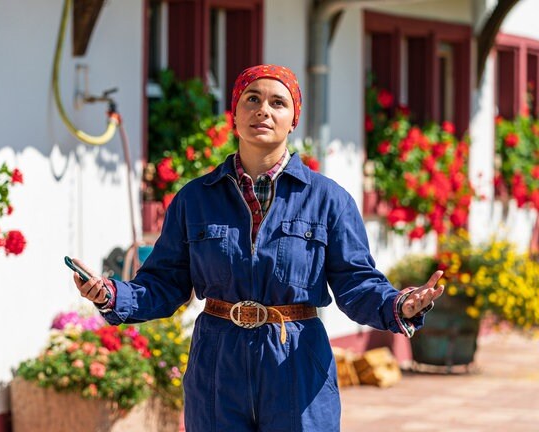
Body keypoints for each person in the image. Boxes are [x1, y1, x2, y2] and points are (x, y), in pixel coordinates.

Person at [71, 64, 444, 431]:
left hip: (296, 362)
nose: (263, 110)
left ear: (293, 120)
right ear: (234, 114)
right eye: (252, 99)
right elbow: (165, 283)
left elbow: (356, 283)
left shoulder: (330, 200)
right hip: (217, 363)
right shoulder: (194, 200)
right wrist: (112, 294)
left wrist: (400, 304)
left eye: (278, 102)